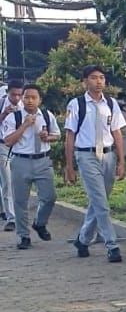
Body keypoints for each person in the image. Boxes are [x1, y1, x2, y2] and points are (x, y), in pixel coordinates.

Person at [65, 65, 126, 262]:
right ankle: (112, 244)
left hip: (108, 155)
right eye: (93, 77)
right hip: (86, 155)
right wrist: (69, 166)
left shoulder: (111, 103)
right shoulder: (77, 104)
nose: (99, 81)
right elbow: (70, 135)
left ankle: (83, 239)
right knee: (101, 203)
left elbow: (116, 132)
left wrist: (121, 160)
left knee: (99, 201)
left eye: (101, 77)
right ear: (85, 81)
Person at [1, 83, 59, 249]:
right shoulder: (14, 117)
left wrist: (48, 137)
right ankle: (23, 236)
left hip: (43, 160)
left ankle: (40, 222)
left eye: (34, 97)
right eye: (26, 97)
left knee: (49, 197)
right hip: (21, 161)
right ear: (22, 99)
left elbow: (57, 135)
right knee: (20, 201)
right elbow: (8, 140)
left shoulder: (46, 115)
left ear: (40, 99)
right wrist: (25, 125)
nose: (30, 101)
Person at [0, 80, 25, 231]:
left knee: (17, 181)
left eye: (19, 95)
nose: (16, 98)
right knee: (7, 181)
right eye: (13, 95)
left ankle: (9, 211)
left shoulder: (25, 105)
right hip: (2, 145)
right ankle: (11, 217)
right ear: (7, 92)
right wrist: (4, 114)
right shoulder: (1, 103)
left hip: (19, 146)